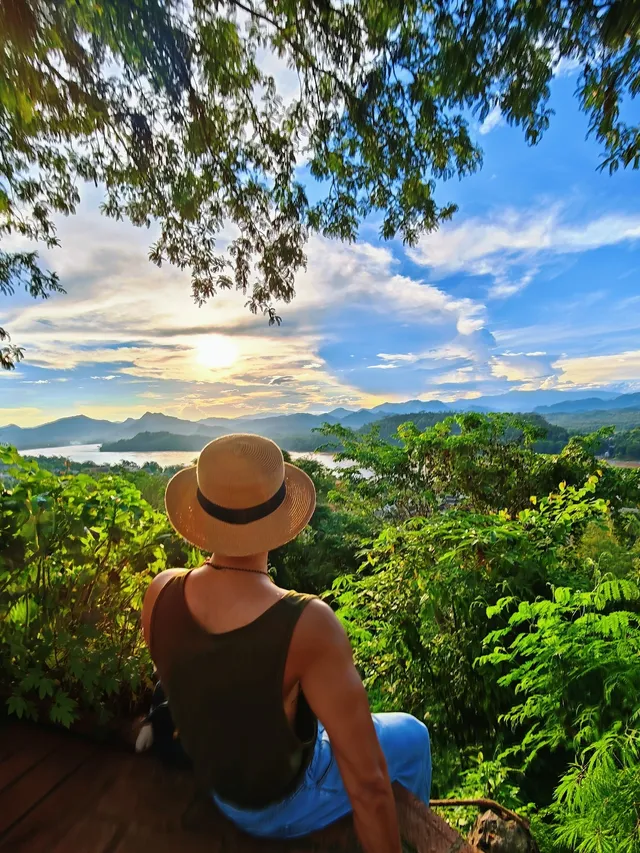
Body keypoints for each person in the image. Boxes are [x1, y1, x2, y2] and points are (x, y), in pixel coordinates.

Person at [141, 434, 431, 853]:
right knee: (413, 735)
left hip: (218, 785)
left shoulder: (160, 592)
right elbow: (368, 784)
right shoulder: (307, 622)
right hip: (278, 807)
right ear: (277, 521)